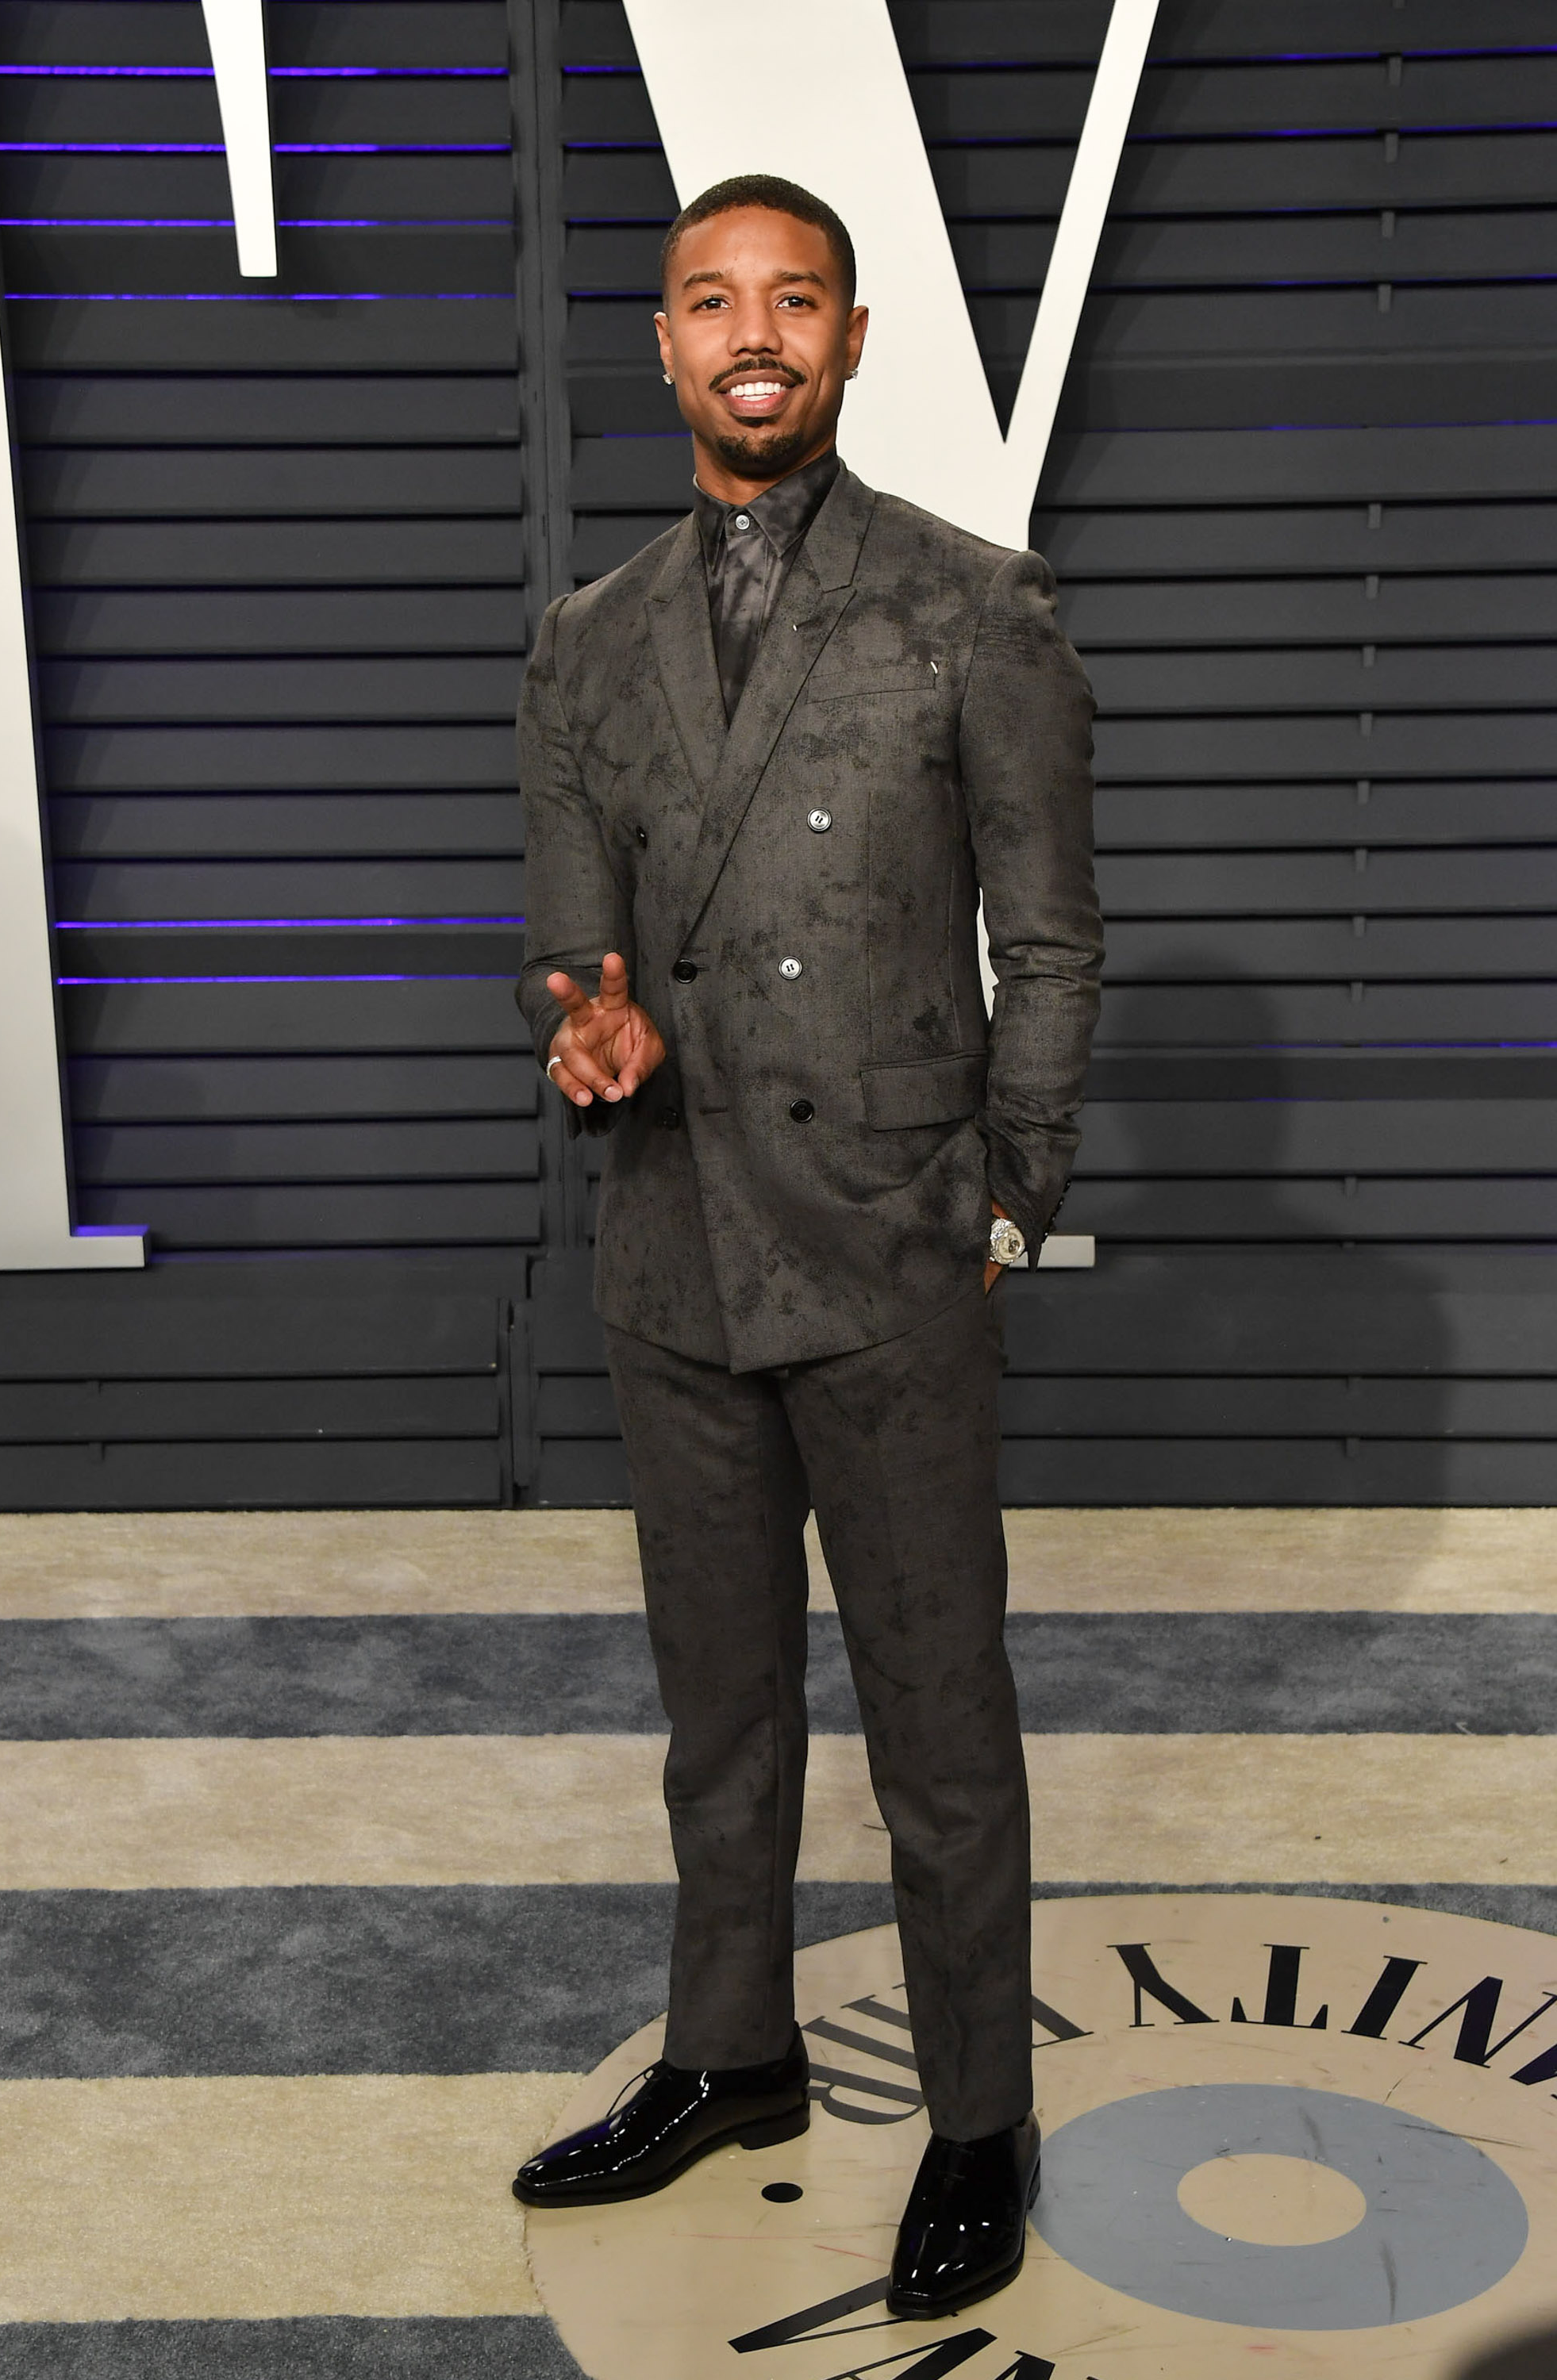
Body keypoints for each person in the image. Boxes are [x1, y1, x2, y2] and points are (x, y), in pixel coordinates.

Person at [509, 173, 1101, 2321]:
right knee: (721, 1711)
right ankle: (732, 2056)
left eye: (793, 299)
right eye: (710, 299)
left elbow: (1049, 941)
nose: (750, 332)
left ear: (853, 339)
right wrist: (587, 1037)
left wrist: (1009, 1197)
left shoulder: (973, 608)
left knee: (938, 1720)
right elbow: (571, 949)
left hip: (893, 1252)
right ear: (665, 342)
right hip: (673, 1247)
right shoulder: (586, 640)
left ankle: (977, 2117)